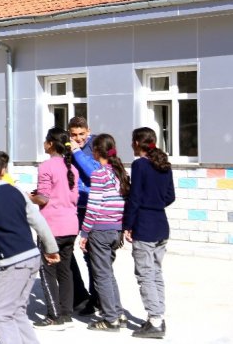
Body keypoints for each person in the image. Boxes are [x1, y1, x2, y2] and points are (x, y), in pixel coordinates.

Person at [0, 152, 60, 344]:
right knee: (17, 309)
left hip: (14, 261)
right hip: (33, 256)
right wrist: (51, 248)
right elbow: (38, 221)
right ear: (3, 171)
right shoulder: (17, 191)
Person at [124, 127, 175, 339]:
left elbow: (134, 197)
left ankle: (155, 320)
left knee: (145, 274)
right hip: (161, 224)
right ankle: (158, 317)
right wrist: (155, 204)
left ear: (137, 142)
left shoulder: (140, 165)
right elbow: (170, 196)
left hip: (144, 226)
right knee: (155, 273)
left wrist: (128, 224)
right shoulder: (164, 165)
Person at [29, 127, 79, 330]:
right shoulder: (72, 169)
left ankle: (53, 315)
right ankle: (66, 312)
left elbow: (43, 197)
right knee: (65, 270)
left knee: (47, 269)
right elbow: (73, 196)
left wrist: (29, 197)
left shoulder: (46, 166)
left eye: (45, 141)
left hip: (51, 226)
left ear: (50, 144)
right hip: (70, 225)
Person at [79, 134, 130, 332]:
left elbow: (93, 206)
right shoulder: (120, 173)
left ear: (96, 152)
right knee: (108, 273)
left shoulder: (99, 175)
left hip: (100, 229)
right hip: (115, 228)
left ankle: (110, 319)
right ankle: (118, 312)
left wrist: (84, 233)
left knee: (101, 275)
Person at [68, 116, 101, 314]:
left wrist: (77, 152)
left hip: (93, 206)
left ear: (88, 131)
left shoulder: (96, 146)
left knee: (92, 254)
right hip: (74, 206)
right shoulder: (67, 147)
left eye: (82, 134)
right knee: (63, 248)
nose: (78, 138)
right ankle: (80, 297)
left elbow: (94, 173)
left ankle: (97, 297)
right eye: (74, 135)